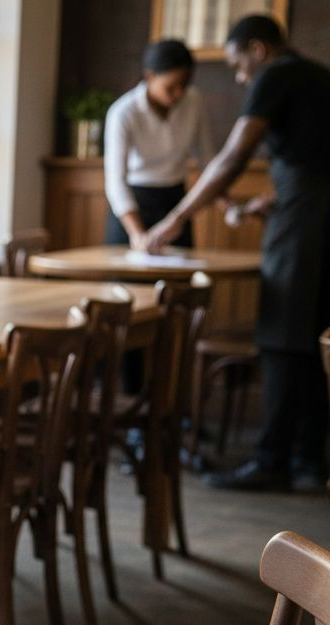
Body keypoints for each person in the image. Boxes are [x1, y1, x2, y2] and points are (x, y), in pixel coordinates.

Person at [142, 15, 330, 492]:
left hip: (303, 221)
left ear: (258, 49)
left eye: (238, 65)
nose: (241, 77)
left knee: (282, 336)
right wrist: (274, 200)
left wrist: (177, 217)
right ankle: (311, 462)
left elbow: (231, 157)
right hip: (315, 214)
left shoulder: (276, 75)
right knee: (316, 340)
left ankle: (273, 459)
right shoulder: (319, 75)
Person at [103, 38, 212, 252]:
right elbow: (115, 181)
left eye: (184, 85)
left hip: (175, 203)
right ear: (150, 76)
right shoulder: (123, 112)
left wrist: (225, 200)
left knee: (180, 270)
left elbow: (206, 158)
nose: (179, 93)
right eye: (171, 87)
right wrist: (137, 234)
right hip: (133, 204)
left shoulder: (194, 101)